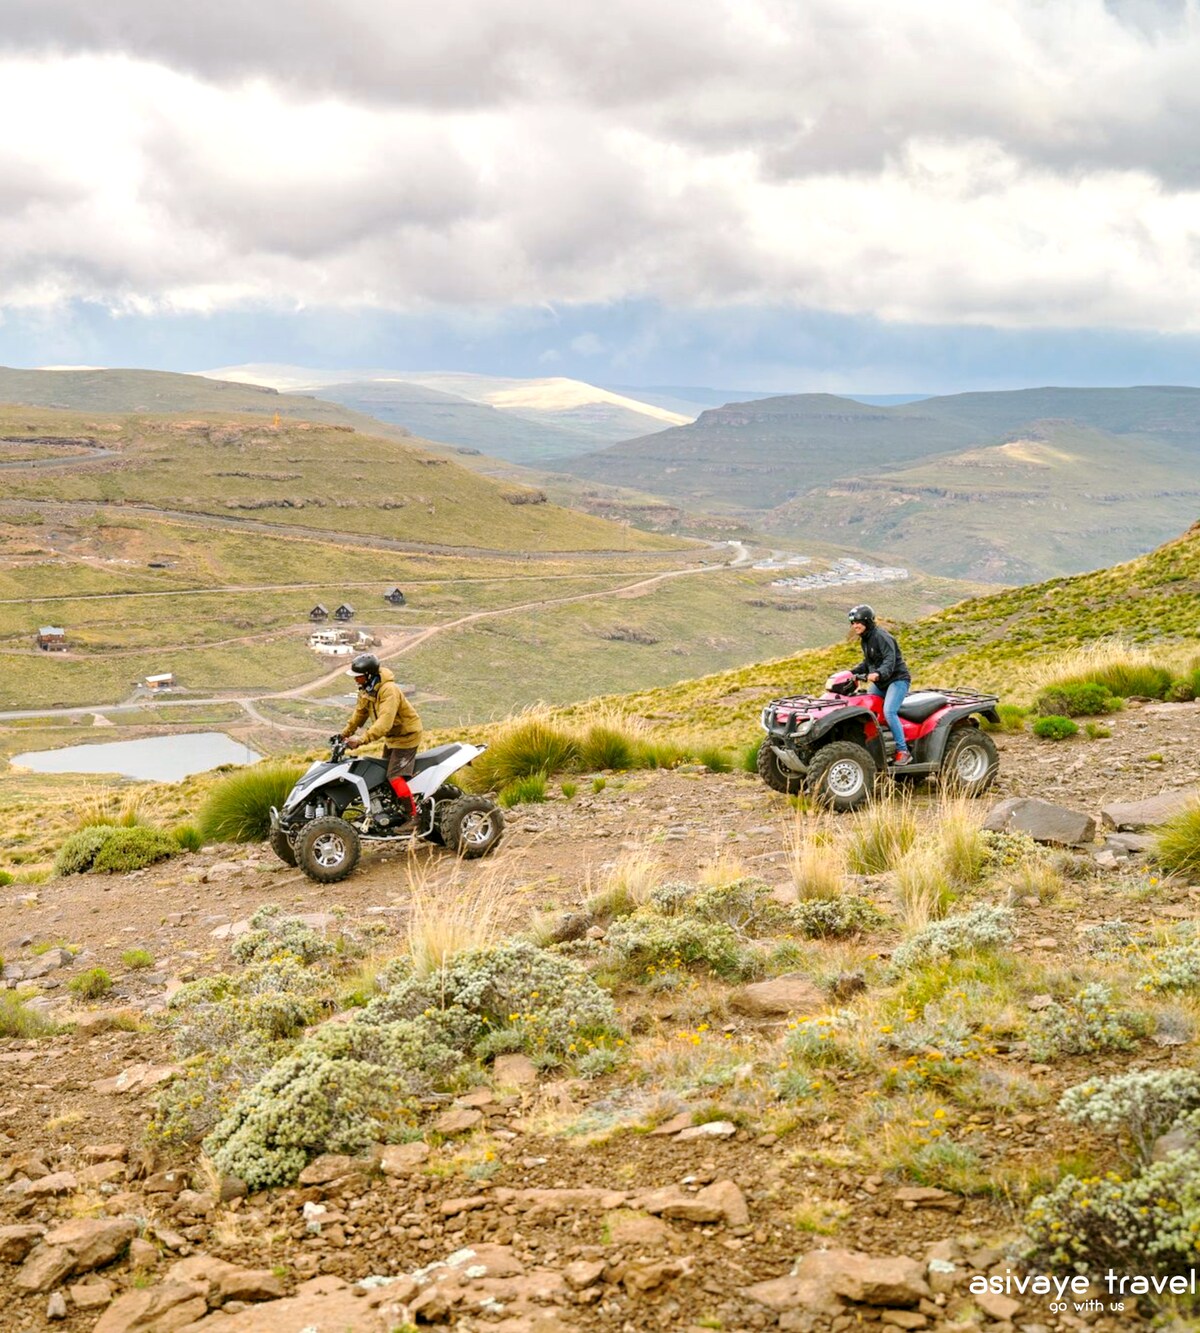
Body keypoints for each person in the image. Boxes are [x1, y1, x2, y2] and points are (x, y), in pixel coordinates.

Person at [340, 653, 423, 817]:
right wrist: (344, 734)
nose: (356, 680)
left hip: (407, 737)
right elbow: (360, 714)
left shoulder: (388, 690)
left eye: (359, 677)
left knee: (394, 776)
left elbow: (385, 723)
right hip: (393, 738)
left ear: (369, 675)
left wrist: (361, 740)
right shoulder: (367, 689)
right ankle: (392, 810)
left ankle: (414, 816)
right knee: (381, 774)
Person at [847, 604, 912, 765]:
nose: (855, 626)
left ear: (867, 622)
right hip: (882, 682)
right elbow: (868, 662)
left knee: (889, 711)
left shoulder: (882, 637)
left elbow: (889, 661)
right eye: (853, 623)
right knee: (868, 709)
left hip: (897, 679)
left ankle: (903, 751)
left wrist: (878, 674)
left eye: (858, 622)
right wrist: (851, 672)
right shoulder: (866, 639)